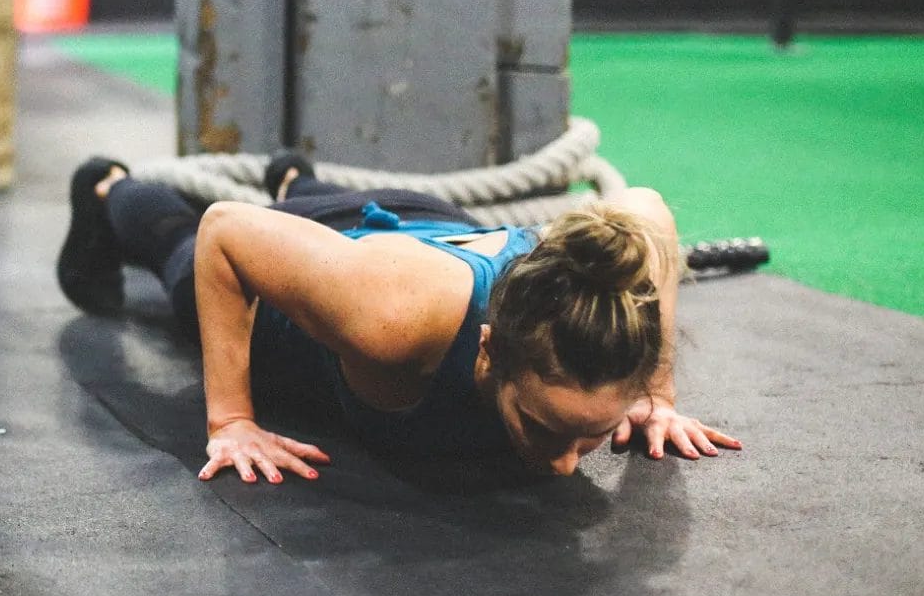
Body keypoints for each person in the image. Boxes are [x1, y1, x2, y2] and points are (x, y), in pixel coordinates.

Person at [55, 152, 740, 482]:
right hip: (332, 258)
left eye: (588, 437)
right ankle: (112, 186)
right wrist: (232, 419)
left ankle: (297, 174)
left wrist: (655, 394)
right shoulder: (390, 318)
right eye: (543, 426)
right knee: (179, 260)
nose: (565, 466)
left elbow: (647, 207)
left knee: (370, 226)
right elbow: (226, 230)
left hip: (432, 225)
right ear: (486, 349)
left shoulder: (601, 299)